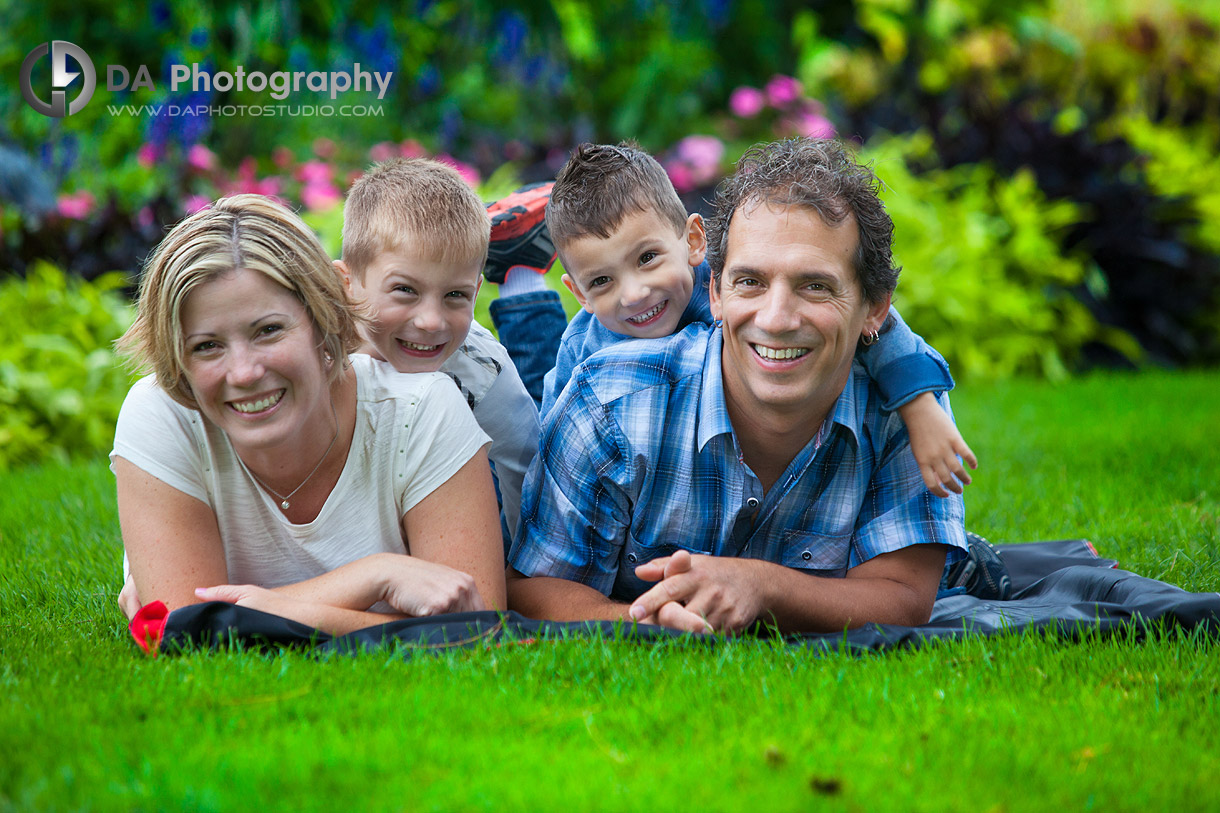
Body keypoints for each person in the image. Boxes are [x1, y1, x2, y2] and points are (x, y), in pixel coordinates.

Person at [506, 138, 970, 634]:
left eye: (815, 285)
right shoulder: (604, 392)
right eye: (750, 282)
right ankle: (518, 280)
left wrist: (761, 586)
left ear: (874, 307)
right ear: (717, 288)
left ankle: (966, 557)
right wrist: (645, 622)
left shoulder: (907, 409)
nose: (776, 319)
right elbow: (536, 583)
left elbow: (903, 600)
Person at [485, 142, 975, 497]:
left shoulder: (727, 289)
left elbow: (882, 329)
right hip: (573, 369)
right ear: (580, 295)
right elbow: (555, 447)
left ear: (694, 242)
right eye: (602, 282)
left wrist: (921, 406)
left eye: (648, 258)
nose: (634, 294)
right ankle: (520, 273)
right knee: (531, 410)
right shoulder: (587, 347)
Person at [112, 194, 505, 634]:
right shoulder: (161, 416)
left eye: (268, 331)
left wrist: (245, 610)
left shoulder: (420, 409)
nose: (243, 373)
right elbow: (181, 633)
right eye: (207, 346)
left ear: (326, 321)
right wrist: (377, 575)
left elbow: (478, 624)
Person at [333, 158, 539, 548]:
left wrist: (524, 571)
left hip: (466, 454)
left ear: (475, 292)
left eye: (455, 295)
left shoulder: (482, 369)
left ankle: (521, 277)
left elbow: (526, 467)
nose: (431, 322)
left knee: (545, 393)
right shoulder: (314, 350)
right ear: (347, 284)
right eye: (405, 290)